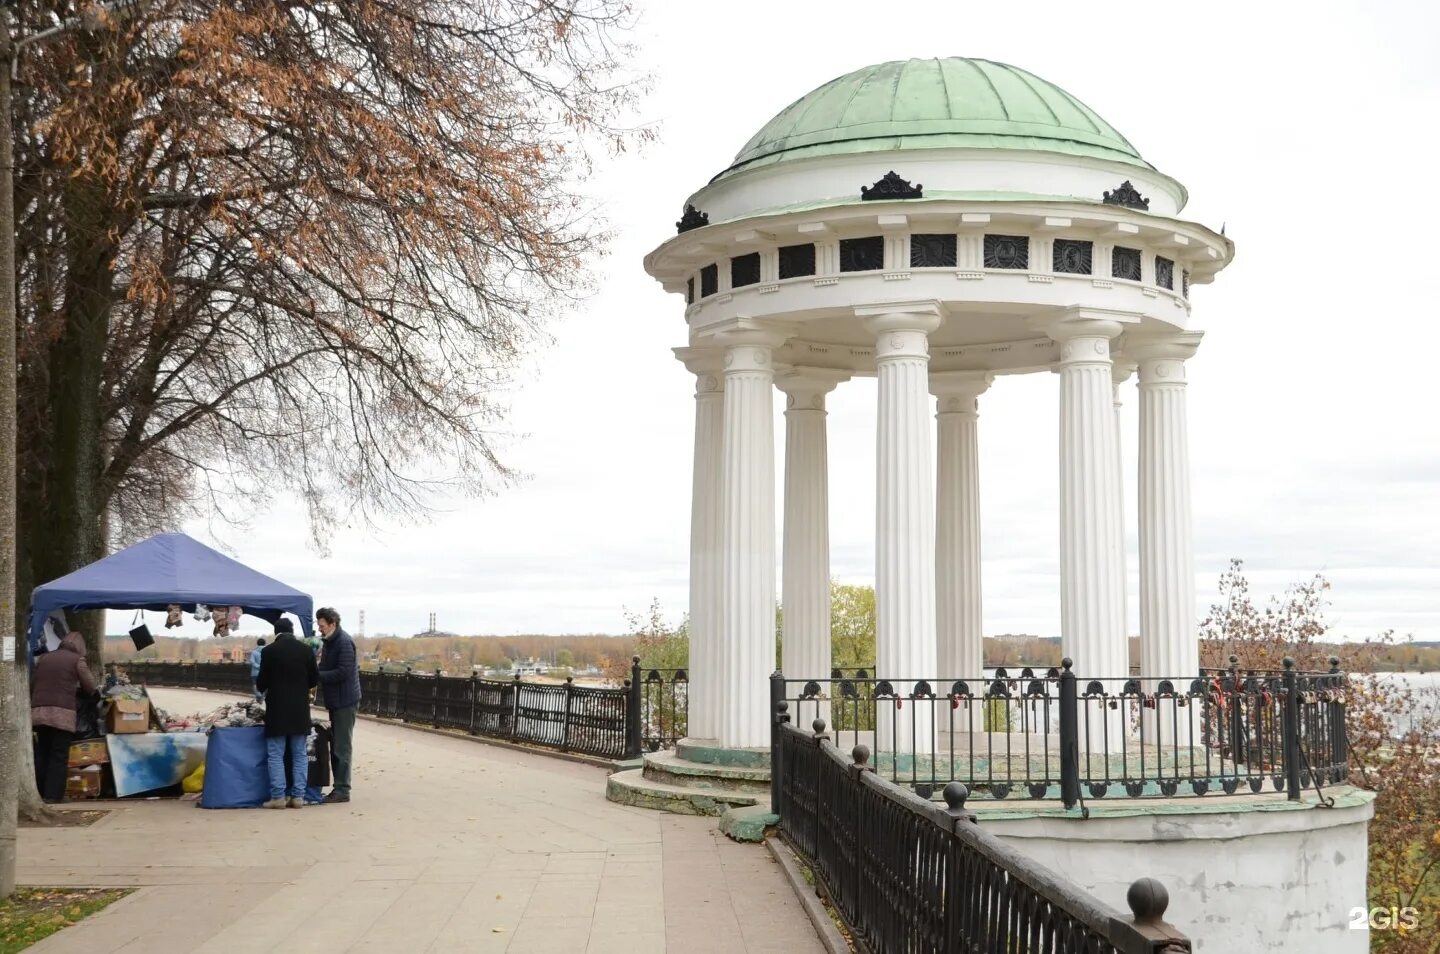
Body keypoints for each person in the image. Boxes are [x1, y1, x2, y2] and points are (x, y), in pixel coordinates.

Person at [255, 619, 317, 809]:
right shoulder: (306, 650)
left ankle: (278, 797)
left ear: (276, 633)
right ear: (292, 631)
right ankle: (298, 796)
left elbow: (261, 683)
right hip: (299, 709)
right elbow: (314, 678)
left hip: (277, 710)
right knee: (299, 754)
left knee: (276, 755)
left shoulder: (268, 651)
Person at [30, 632, 97, 803]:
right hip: (62, 714)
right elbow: (90, 686)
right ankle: (53, 796)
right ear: (80, 647)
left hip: (39, 712)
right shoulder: (77, 660)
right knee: (58, 755)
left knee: (42, 753)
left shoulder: (43, 658)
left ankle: (39, 792)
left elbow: (33, 682)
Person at [315, 607, 360, 803]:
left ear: (332, 624)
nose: (320, 629)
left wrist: (317, 676)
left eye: (322, 625)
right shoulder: (331, 642)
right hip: (337, 700)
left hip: (345, 700)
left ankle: (342, 789)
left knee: (341, 746)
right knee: (336, 744)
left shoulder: (343, 642)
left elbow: (343, 672)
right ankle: (339, 787)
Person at [249, 637, 267, 702]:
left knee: (255, 684)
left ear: (257, 644)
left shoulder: (254, 652)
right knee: (265, 685)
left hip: (255, 672)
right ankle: (262, 696)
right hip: (265, 672)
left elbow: (252, 661)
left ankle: (258, 695)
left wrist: (258, 666)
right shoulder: (268, 651)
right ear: (265, 644)